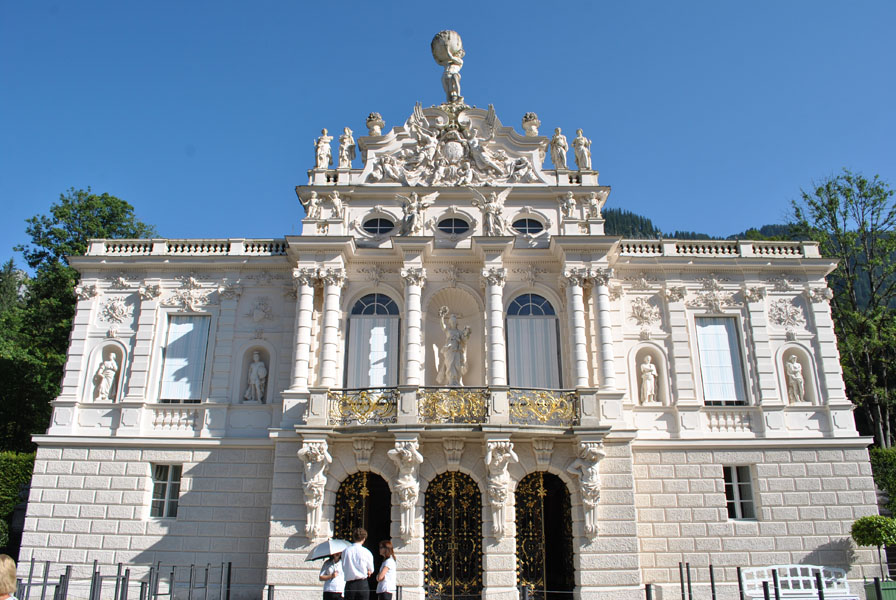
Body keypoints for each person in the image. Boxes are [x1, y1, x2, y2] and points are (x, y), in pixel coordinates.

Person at [341, 528, 374, 600]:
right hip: (362, 584)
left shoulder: (346, 551)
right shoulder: (367, 552)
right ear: (364, 539)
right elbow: (371, 569)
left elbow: (343, 566)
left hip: (350, 584)